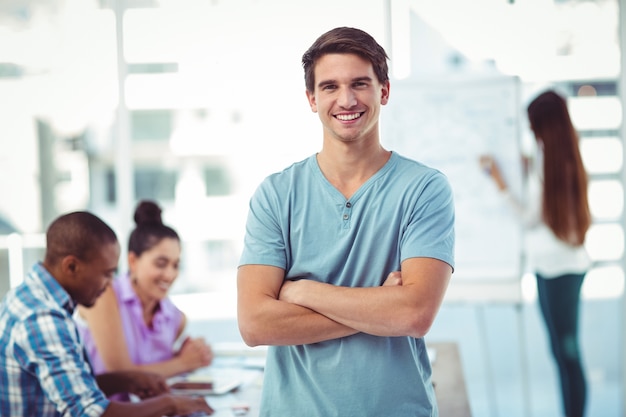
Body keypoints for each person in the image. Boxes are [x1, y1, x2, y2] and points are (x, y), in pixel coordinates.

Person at [237, 27, 455, 416]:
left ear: (384, 91)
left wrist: (302, 292)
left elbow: (414, 314)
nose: (346, 99)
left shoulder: (424, 189)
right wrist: (378, 307)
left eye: (360, 84)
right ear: (311, 99)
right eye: (330, 87)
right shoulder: (276, 194)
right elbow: (255, 324)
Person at [0, 211, 213, 417]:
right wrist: (170, 404)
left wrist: (128, 380)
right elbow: (91, 413)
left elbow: (74, 387)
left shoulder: (36, 297)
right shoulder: (43, 318)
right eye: (106, 274)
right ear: (72, 267)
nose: (110, 284)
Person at [480, 89, 591, 417]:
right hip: (566, 266)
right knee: (565, 352)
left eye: (533, 125)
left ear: (544, 125)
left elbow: (529, 219)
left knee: (565, 352)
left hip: (555, 270)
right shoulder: (565, 154)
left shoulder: (549, 161)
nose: (530, 132)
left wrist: (500, 181)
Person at [77, 200, 213, 381]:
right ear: (133, 261)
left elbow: (154, 371)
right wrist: (184, 363)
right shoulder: (103, 294)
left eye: (175, 265)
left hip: (151, 409)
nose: (169, 275)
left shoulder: (176, 319)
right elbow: (121, 374)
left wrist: (190, 354)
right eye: (161, 264)